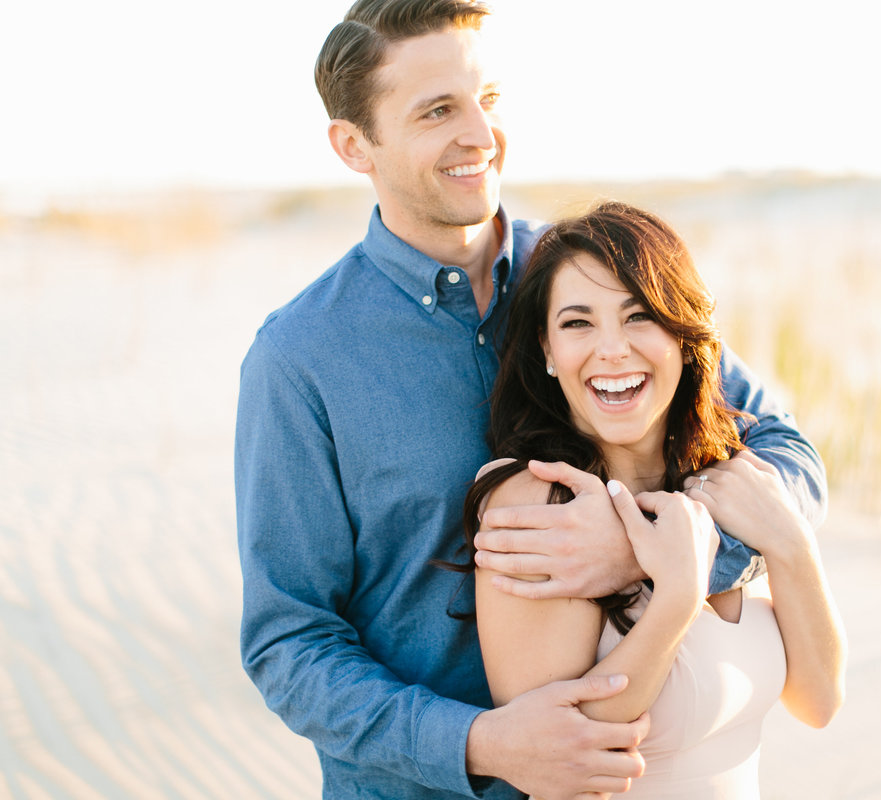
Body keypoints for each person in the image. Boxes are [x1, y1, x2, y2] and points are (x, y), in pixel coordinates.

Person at [234, 1, 827, 798]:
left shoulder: (588, 277)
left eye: (491, 99)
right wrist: (475, 743)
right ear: (354, 145)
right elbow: (289, 640)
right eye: (438, 109)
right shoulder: (300, 358)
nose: (481, 134)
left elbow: (786, 452)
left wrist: (647, 550)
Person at [463, 201, 846, 799]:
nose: (612, 349)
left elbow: (818, 700)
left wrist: (791, 543)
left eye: (638, 316)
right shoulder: (542, 501)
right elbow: (560, 765)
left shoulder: (726, 480)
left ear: (682, 334)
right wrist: (676, 598)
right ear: (546, 350)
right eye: (577, 323)